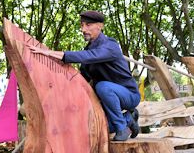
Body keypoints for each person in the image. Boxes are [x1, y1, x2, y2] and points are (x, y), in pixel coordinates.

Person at [29, 10, 141, 141]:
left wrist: (49, 53)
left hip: (129, 95)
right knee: (98, 127)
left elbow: (89, 56)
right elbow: (81, 79)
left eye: (88, 25)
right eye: (82, 25)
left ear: (100, 26)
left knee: (102, 86)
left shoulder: (111, 45)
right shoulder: (87, 51)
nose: (83, 29)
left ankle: (121, 128)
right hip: (107, 98)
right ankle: (129, 118)